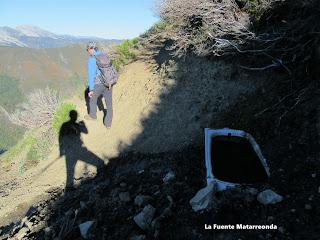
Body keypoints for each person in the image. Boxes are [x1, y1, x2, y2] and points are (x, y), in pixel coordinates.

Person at [84, 42, 113, 128]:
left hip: (98, 84)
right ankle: (108, 124)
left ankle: (93, 116)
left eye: (88, 50)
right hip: (109, 82)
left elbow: (91, 75)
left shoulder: (92, 59)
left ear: (91, 49)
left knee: (92, 98)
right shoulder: (104, 55)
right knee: (109, 103)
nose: (88, 52)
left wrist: (91, 90)